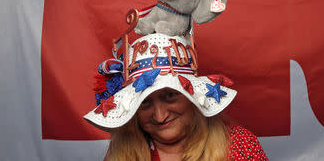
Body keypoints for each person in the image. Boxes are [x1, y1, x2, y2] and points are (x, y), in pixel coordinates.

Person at [84, 33, 268, 161]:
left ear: (192, 96)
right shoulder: (123, 154)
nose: (160, 115)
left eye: (170, 95)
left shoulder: (239, 144)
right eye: (145, 102)